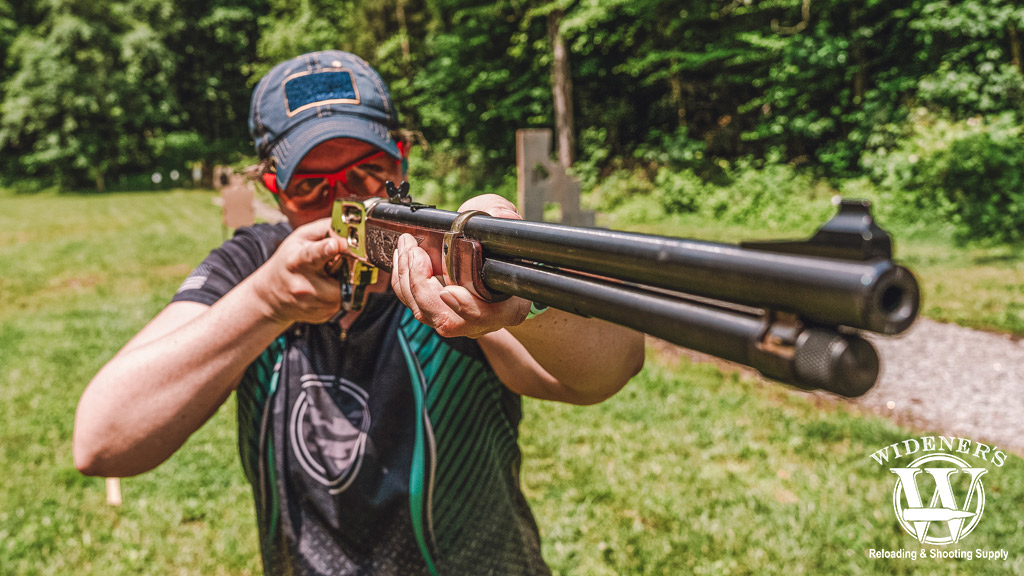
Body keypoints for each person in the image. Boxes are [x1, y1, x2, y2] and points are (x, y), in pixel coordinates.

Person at [74, 50, 644, 575]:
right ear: (272, 189)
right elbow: (103, 438)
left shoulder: (436, 258)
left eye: (366, 173)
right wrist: (265, 302)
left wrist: (518, 298)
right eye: (311, 185)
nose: (343, 201)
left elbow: (608, 369)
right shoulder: (251, 265)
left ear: (402, 158)